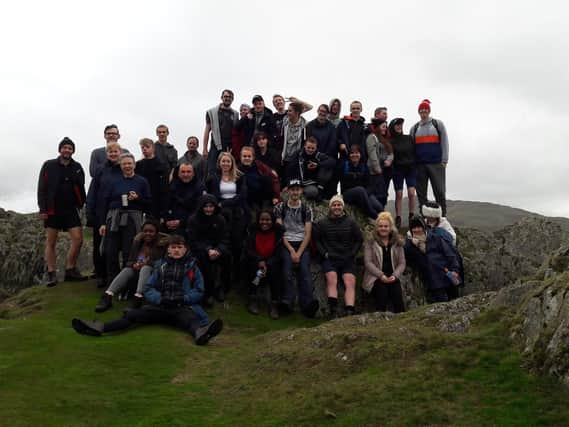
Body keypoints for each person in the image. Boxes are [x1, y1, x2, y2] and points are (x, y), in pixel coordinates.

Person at [72, 235, 223, 346]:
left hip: (181, 306)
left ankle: (201, 335)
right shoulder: (160, 266)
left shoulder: (193, 267)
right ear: (168, 250)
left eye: (179, 247)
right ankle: (100, 327)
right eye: (173, 247)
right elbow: (149, 288)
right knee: (132, 316)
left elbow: (199, 290)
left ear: (185, 250)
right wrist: (159, 299)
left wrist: (184, 299)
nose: (176, 250)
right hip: (160, 306)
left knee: (191, 321)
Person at [37, 137, 87, 286]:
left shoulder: (77, 166)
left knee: (78, 239)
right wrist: (42, 209)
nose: (67, 150)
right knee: (51, 242)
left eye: (70, 148)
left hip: (71, 209)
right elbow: (42, 188)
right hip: (52, 209)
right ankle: (51, 273)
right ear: (60, 150)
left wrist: (81, 203)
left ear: (73, 151)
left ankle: (70, 269)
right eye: (64, 147)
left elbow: (82, 186)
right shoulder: (49, 165)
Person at [98, 153, 152, 286]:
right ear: (120, 166)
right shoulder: (113, 181)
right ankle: (112, 284)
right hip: (114, 217)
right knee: (111, 251)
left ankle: (128, 284)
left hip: (133, 219)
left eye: (129, 163)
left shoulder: (142, 181)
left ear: (134, 165)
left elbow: (149, 202)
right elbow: (103, 202)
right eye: (124, 164)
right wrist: (102, 223)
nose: (127, 166)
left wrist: (138, 198)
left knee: (130, 251)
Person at [95, 219, 168, 312]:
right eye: (145, 231)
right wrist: (134, 265)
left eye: (151, 231)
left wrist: (147, 263)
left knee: (145, 268)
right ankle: (108, 296)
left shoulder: (162, 244)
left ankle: (138, 298)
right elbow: (130, 261)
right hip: (139, 270)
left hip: (155, 273)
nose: (148, 234)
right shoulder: (138, 242)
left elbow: (164, 263)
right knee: (127, 269)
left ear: (156, 233)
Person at [274, 179, 319, 318]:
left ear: (301, 191)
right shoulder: (279, 208)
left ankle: (308, 304)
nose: (295, 192)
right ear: (288, 191)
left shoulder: (306, 209)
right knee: (286, 270)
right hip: (286, 243)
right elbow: (280, 232)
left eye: (297, 189)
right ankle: (287, 301)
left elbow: (308, 233)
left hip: (302, 244)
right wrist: (292, 251)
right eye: (292, 189)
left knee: (305, 272)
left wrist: (298, 252)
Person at [314, 195, 363, 318]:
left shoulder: (351, 222)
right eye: (334, 205)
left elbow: (359, 239)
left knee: (350, 281)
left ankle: (350, 311)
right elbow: (317, 240)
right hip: (330, 258)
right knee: (332, 278)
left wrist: (352, 253)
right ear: (330, 207)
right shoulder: (322, 223)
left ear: (343, 207)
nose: (337, 207)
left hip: (347, 258)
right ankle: (333, 311)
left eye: (339, 205)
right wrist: (324, 253)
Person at [206, 152, 248, 286]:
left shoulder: (240, 176)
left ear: (232, 163)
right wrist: (218, 205)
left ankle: (236, 275)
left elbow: (242, 195)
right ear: (219, 163)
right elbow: (211, 195)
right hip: (219, 214)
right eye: (223, 161)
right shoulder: (213, 177)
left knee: (237, 243)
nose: (226, 164)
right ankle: (221, 277)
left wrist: (224, 203)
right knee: (222, 243)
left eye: (228, 161)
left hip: (236, 213)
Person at [86, 142, 123, 287]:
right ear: (107, 154)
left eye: (115, 152)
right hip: (101, 212)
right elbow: (92, 192)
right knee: (99, 246)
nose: (113, 154)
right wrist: (90, 212)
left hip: (118, 212)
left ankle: (114, 275)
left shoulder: (124, 169)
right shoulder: (101, 170)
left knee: (115, 246)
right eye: (110, 152)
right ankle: (101, 275)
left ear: (120, 152)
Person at [186, 194, 231, 305]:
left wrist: (218, 250)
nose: (208, 209)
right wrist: (208, 249)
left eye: (211, 206)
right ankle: (207, 292)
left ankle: (220, 288)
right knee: (203, 261)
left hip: (217, 249)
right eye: (206, 206)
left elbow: (225, 238)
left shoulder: (220, 219)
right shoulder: (193, 220)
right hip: (200, 249)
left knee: (227, 257)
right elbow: (193, 240)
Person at [404, 215, 460, 303]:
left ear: (423, 227)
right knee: (443, 305)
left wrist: (455, 270)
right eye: (414, 228)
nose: (416, 230)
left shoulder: (435, 238)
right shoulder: (410, 244)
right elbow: (406, 254)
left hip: (448, 275)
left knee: (456, 303)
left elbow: (450, 255)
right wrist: (411, 244)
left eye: (419, 227)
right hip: (434, 281)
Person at [410, 99, 450, 216]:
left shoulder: (438, 124)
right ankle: (424, 217)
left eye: (425, 109)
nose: (423, 111)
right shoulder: (415, 128)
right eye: (421, 109)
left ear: (429, 110)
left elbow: (445, 142)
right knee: (421, 194)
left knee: (440, 192)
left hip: (436, 163)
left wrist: (444, 160)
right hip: (420, 165)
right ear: (419, 112)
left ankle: (442, 217)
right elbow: (411, 147)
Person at [243, 209, 284, 319]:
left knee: (275, 274)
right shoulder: (252, 231)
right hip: (256, 262)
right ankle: (253, 299)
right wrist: (260, 261)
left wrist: (268, 264)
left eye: (267, 220)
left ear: (272, 221)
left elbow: (278, 253)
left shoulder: (278, 233)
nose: (264, 222)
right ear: (258, 220)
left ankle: (274, 304)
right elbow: (248, 250)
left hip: (272, 263)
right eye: (262, 220)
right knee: (257, 274)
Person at [363, 212, 406, 313]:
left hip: (393, 276)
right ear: (377, 227)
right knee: (381, 297)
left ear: (390, 227)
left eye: (386, 226)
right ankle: (380, 324)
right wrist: (381, 275)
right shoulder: (371, 241)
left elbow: (402, 262)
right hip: (376, 277)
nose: (383, 228)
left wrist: (395, 275)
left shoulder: (397, 242)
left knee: (398, 300)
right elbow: (368, 262)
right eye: (380, 226)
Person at [339, 145, 383, 219]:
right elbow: (344, 184)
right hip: (348, 194)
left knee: (379, 207)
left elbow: (370, 185)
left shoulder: (364, 167)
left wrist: (365, 193)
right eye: (352, 153)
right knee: (360, 190)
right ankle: (373, 215)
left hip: (364, 193)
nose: (354, 155)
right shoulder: (344, 166)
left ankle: (385, 222)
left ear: (360, 154)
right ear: (349, 155)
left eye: (357, 153)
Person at [203, 89, 240, 176]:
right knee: (212, 170)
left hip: (229, 145)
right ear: (222, 98)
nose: (227, 99)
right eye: (225, 96)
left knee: (229, 169)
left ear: (232, 99)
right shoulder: (212, 112)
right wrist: (205, 148)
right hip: (216, 144)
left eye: (230, 97)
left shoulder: (235, 114)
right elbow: (207, 130)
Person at [286, 136, 335, 201]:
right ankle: (299, 193)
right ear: (304, 146)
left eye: (313, 148)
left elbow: (333, 161)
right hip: (298, 181)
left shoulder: (318, 155)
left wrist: (318, 165)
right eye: (308, 147)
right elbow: (290, 169)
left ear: (316, 148)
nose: (310, 150)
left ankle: (319, 191)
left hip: (311, 184)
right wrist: (288, 184)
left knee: (313, 191)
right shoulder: (298, 154)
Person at [389, 117, 417, 229]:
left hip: (410, 169)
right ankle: (398, 218)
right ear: (392, 127)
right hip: (398, 170)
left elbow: (415, 151)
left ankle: (411, 216)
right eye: (397, 124)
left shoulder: (409, 138)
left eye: (400, 124)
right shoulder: (391, 141)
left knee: (411, 193)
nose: (399, 126)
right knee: (399, 194)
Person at [164, 163, 206, 235]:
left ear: (193, 173)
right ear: (178, 173)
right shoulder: (172, 186)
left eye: (188, 172)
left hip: (192, 226)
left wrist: (181, 222)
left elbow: (199, 210)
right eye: (183, 172)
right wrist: (167, 221)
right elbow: (166, 205)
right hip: (172, 226)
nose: (185, 175)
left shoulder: (200, 187)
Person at [135, 138, 169, 220]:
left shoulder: (161, 165)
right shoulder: (138, 165)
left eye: (147, 147)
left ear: (153, 148)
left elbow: (164, 187)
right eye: (142, 147)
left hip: (155, 199)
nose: (144, 149)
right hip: (141, 199)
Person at [238, 146, 281, 210]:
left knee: (266, 178)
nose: (247, 158)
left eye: (249, 156)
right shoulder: (237, 169)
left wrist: (276, 196)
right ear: (241, 157)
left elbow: (274, 177)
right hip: (248, 198)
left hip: (263, 195)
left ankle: (266, 204)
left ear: (253, 157)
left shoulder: (259, 165)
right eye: (244, 156)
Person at [366, 118, 393, 207]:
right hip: (375, 172)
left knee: (383, 195)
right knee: (377, 195)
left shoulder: (385, 140)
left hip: (385, 171)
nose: (385, 129)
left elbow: (391, 153)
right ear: (377, 127)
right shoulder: (372, 137)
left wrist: (389, 160)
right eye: (383, 127)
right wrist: (377, 167)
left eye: (386, 127)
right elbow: (372, 153)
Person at [281, 102, 308, 181]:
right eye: (288, 110)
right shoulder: (284, 123)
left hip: (297, 159)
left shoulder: (305, 126)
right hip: (284, 157)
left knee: (294, 182)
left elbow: (304, 142)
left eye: (290, 111)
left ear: (296, 113)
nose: (287, 113)